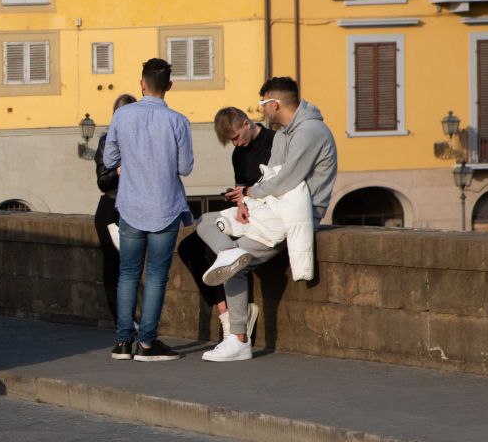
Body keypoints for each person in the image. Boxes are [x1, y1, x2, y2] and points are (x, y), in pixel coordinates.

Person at [197, 77, 337, 362]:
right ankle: (228, 252)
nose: (260, 111)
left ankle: (238, 339)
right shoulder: (285, 133)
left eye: (263, 104)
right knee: (206, 223)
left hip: (292, 217)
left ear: (274, 103)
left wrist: (249, 193)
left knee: (235, 268)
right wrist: (247, 202)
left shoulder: (310, 132)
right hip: (269, 209)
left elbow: (287, 179)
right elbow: (271, 176)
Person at [102, 58, 194, 361]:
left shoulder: (122, 116)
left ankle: (122, 342)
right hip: (164, 205)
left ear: (142, 83)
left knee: (127, 274)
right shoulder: (178, 121)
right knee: (156, 276)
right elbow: (185, 167)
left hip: (130, 205)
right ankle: (147, 343)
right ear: (169, 86)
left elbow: (108, 159)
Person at [177, 106, 276, 340]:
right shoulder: (238, 154)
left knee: (220, 253)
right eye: (230, 141)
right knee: (188, 247)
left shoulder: (274, 142)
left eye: (236, 138)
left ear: (246, 124)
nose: (235, 144)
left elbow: (279, 184)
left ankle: (237, 320)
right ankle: (225, 312)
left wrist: (249, 197)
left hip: (267, 217)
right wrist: (240, 201)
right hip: (247, 213)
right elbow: (242, 186)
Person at [92, 93, 138, 319]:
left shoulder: (143, 139)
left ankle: (131, 321)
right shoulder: (106, 141)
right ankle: (122, 321)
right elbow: (103, 181)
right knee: (113, 266)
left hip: (136, 207)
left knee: (133, 267)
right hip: (112, 207)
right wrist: (120, 169)